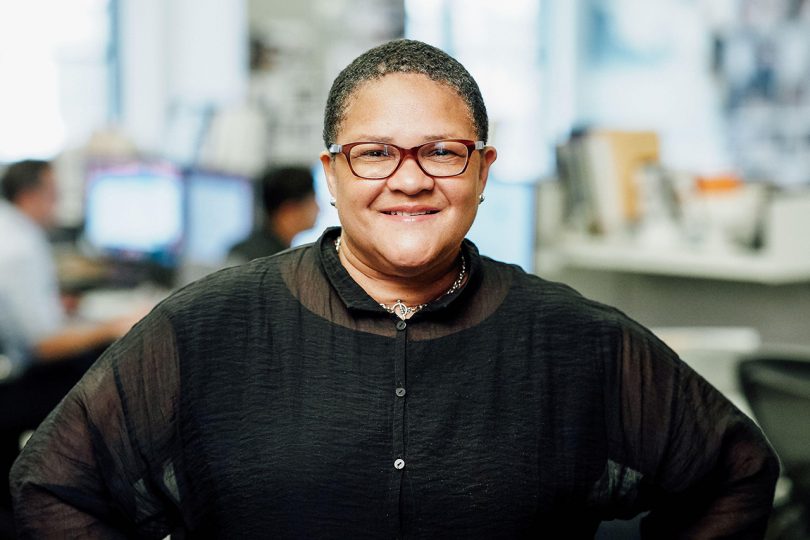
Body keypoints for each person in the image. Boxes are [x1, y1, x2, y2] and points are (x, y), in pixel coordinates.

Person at [10, 39, 778, 538]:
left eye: (442, 151)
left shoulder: (577, 337)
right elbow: (53, 486)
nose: (408, 180)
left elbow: (735, 471)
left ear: (482, 170)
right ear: (332, 174)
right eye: (375, 152)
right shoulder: (210, 326)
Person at [0, 160, 142, 371]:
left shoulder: (10, 226)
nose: (59, 204)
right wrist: (110, 328)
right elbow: (42, 346)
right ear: (29, 196)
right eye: (54, 195)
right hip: (28, 379)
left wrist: (54, 304)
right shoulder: (21, 250)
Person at [227, 165, 319, 262]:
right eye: (312, 200)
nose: (318, 208)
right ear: (289, 211)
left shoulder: (246, 250)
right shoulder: (276, 262)